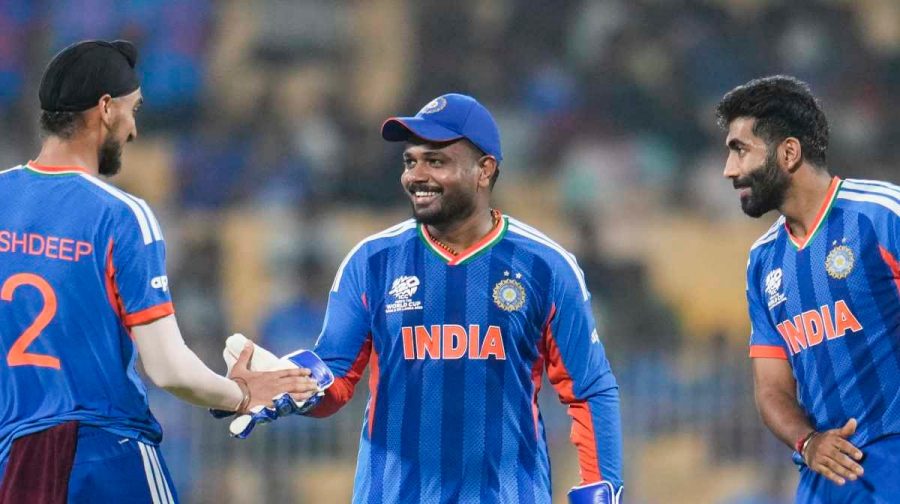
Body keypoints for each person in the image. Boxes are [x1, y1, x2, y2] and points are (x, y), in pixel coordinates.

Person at [0, 40, 318, 504]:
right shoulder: (120, 215)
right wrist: (241, 394)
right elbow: (168, 368)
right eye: (133, 110)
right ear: (106, 109)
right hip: (105, 455)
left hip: (12, 460)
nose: (133, 130)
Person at [282, 93, 624, 503]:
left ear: (484, 170)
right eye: (411, 161)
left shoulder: (545, 266)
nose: (416, 175)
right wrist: (290, 386)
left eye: (436, 161)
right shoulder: (371, 262)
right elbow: (335, 378)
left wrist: (601, 487)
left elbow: (588, 388)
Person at [718, 75, 900, 502]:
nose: (729, 170)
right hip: (824, 482)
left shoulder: (882, 217)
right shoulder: (762, 263)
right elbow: (771, 388)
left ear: (789, 152)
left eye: (740, 150)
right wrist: (807, 441)